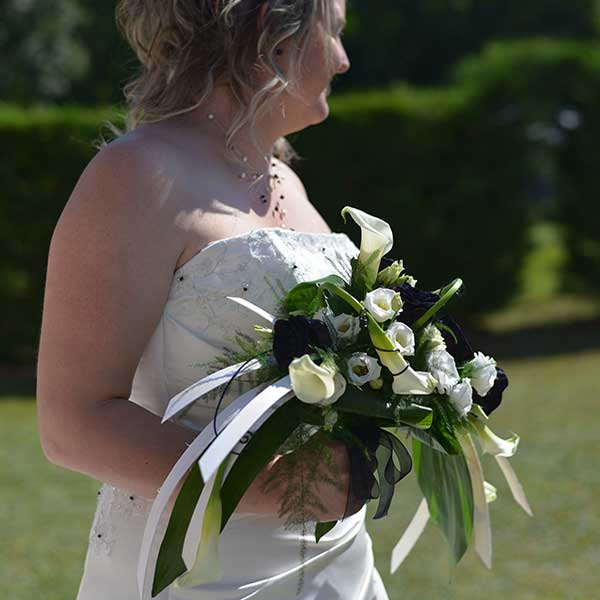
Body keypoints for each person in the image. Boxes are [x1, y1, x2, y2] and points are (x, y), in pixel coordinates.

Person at [36, 0, 389, 598]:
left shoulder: (285, 179)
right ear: (269, 36)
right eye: (332, 31)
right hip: (202, 571)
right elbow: (72, 423)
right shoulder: (137, 175)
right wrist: (277, 486)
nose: (342, 59)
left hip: (339, 566)